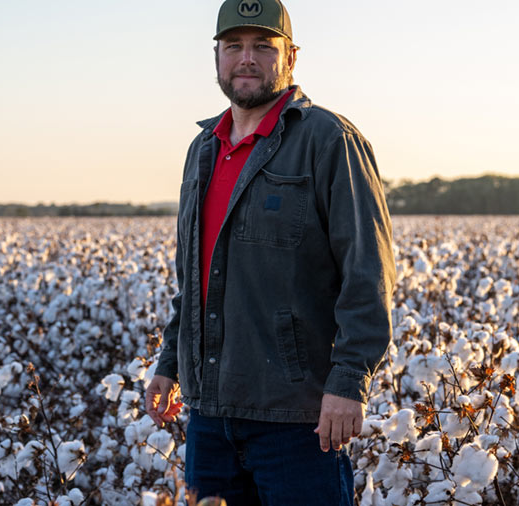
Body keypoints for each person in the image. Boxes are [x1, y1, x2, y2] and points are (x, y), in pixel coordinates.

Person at [144, 0, 395, 504]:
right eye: (233, 46)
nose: (247, 59)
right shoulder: (203, 149)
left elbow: (367, 272)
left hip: (296, 421)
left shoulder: (329, 140)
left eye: (264, 46)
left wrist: (348, 383)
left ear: (292, 57)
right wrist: (169, 361)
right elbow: (192, 277)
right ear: (216, 56)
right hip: (210, 417)